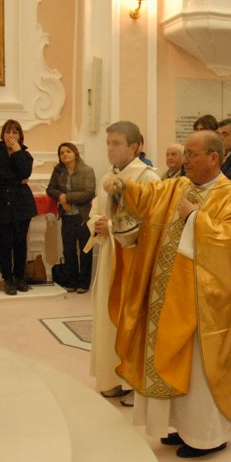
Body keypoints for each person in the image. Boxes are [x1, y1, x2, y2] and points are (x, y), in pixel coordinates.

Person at [104, 130, 231, 457]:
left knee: (198, 370)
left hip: (202, 304)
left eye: (192, 155)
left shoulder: (229, 197)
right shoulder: (180, 185)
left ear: (214, 157)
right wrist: (125, 188)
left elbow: (230, 241)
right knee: (174, 363)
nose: (185, 161)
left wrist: (195, 218)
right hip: (170, 299)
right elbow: (149, 196)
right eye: (185, 154)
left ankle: (208, 435)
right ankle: (184, 428)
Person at [85, 121, 160, 403]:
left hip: (133, 260)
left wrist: (115, 228)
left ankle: (132, 383)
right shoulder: (109, 174)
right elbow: (95, 209)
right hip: (110, 256)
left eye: (116, 143)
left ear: (134, 146)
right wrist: (98, 224)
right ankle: (112, 376)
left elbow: (154, 220)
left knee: (130, 317)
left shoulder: (148, 178)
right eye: (108, 143)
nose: (110, 149)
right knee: (109, 315)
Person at [0, 119, 38, 296]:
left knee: (20, 242)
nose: (12, 136)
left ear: (20, 136)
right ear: (3, 134)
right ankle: (8, 279)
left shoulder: (24, 154)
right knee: (4, 243)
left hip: (21, 204)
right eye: (9, 132)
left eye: (15, 132)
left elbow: (26, 172)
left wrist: (17, 153)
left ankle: (20, 278)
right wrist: (18, 180)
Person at [45, 142, 96, 293]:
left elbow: (89, 193)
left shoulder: (87, 170)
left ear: (75, 153)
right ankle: (71, 281)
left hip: (83, 216)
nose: (65, 154)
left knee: (85, 250)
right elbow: (50, 189)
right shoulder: (58, 171)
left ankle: (84, 283)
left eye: (68, 151)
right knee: (68, 251)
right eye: (62, 153)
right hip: (67, 216)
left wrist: (67, 198)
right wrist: (60, 196)